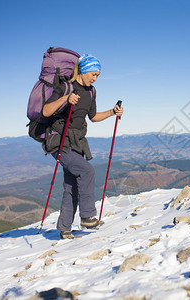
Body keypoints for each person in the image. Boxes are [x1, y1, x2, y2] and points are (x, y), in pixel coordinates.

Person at [42, 54, 123, 239]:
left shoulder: (91, 92)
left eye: (98, 76)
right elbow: (46, 111)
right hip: (59, 142)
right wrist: (65, 99)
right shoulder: (65, 87)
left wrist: (112, 112)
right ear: (84, 70)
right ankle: (87, 217)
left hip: (76, 143)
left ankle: (64, 228)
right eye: (93, 74)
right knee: (87, 171)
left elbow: (93, 117)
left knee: (72, 185)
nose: (95, 79)